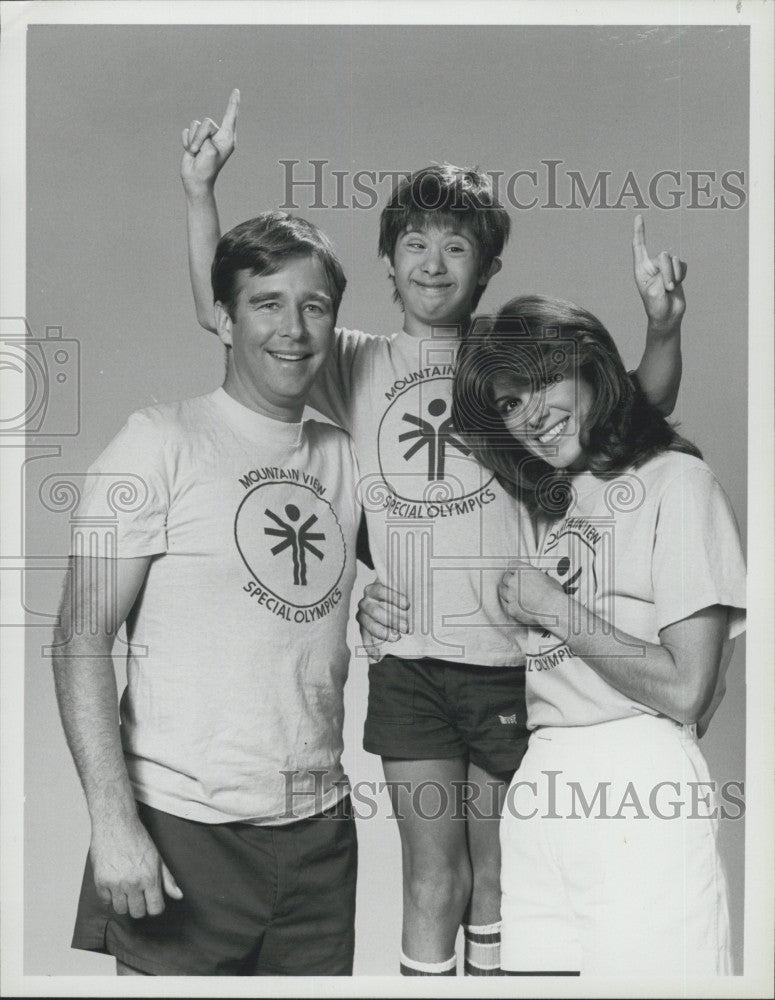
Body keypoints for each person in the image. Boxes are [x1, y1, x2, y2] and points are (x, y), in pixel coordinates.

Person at [181, 90, 685, 975]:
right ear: (385, 259)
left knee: (498, 878)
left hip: (509, 657)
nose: (433, 261)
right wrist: (200, 195)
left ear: (487, 267)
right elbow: (221, 315)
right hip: (409, 663)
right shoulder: (353, 359)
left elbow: (631, 411)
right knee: (429, 878)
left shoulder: (510, 360)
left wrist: (662, 327)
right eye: (414, 243)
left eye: (456, 246)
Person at [52, 211, 367, 976]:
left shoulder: (345, 459)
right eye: (266, 303)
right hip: (181, 828)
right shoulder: (157, 443)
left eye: (313, 306)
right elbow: (78, 639)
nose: (292, 329)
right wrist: (113, 823)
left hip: (318, 833)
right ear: (221, 319)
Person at [451, 293, 746, 976]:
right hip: (540, 781)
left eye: (546, 380)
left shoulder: (678, 482)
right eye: (508, 402)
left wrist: (554, 609)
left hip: (636, 784)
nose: (533, 413)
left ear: (591, 369)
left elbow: (685, 688)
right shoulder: (546, 506)